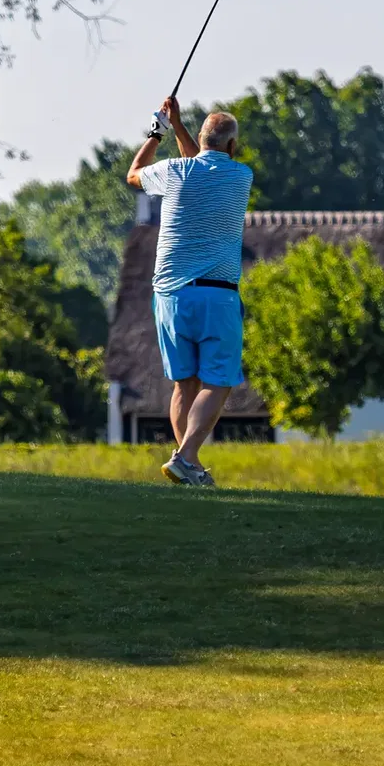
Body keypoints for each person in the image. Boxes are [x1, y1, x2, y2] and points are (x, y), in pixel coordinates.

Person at [126, 95, 253, 486]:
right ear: (232, 145)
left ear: (200, 139)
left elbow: (134, 174)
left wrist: (159, 132)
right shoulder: (241, 176)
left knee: (185, 384)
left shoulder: (176, 171)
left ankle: (189, 467)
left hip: (170, 295)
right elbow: (201, 161)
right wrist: (178, 127)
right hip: (217, 294)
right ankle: (185, 457)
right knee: (219, 381)